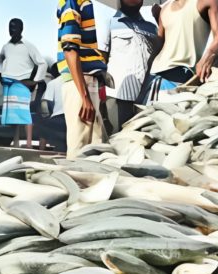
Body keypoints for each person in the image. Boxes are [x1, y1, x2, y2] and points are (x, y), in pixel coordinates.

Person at [57, 0, 107, 158]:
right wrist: (84, 97)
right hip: (80, 82)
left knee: (94, 147)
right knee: (79, 150)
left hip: (87, 81)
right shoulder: (72, 1)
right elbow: (70, 48)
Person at [100, 0, 158, 133]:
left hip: (148, 98)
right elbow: (101, 60)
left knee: (144, 143)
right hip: (119, 97)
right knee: (118, 142)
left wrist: (159, 19)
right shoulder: (109, 24)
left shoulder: (152, 27)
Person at [146, 0, 218, 99]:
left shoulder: (207, 1)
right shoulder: (163, 10)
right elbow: (160, 46)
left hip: (180, 75)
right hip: (152, 77)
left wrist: (209, 55)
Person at [0, 18, 46, 148]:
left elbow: (42, 63)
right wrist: (0, 75)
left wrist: (34, 81)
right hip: (10, 84)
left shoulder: (28, 45)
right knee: (14, 115)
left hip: (23, 83)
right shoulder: (5, 46)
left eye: (15, 27)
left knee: (25, 113)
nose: (12, 30)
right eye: (10, 27)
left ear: (21, 29)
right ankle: (16, 142)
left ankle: (29, 144)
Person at [38, 63, 67, 152]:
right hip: (73, 118)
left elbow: (45, 104)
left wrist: (46, 117)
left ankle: (41, 151)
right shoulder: (75, 81)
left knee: (42, 126)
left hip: (58, 118)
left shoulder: (53, 83)